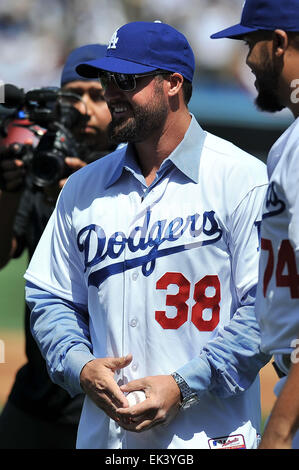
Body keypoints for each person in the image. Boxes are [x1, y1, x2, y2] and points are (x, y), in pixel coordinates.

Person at [24, 21, 270, 450]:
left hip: (209, 437)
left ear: (173, 84)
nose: (110, 93)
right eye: (106, 80)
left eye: (126, 80)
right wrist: (80, 366)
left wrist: (183, 385)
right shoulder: (83, 189)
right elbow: (51, 297)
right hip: (107, 442)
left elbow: (264, 309)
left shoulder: (242, 178)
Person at [0, 43, 114, 449]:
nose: (83, 108)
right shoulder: (38, 171)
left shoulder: (134, 180)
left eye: (97, 96)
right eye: (72, 96)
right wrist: (8, 190)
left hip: (115, 400)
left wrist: (87, 195)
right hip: (40, 398)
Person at [211, 0, 299, 450]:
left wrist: (279, 432)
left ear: (280, 44)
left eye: (251, 42)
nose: (246, 59)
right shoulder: (288, 144)